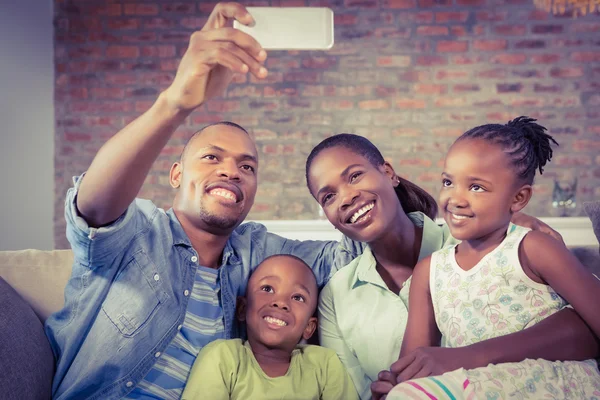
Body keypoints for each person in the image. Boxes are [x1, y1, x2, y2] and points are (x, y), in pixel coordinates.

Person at [44, 2, 576, 399]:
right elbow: (93, 203)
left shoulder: (257, 253)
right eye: (213, 158)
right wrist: (176, 102)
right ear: (177, 172)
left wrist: (493, 218)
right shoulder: (134, 231)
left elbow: (360, 247)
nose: (232, 169)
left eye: (247, 165)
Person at [304, 133, 600, 399]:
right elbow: (375, 384)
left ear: (389, 173)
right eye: (328, 196)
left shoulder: (499, 241)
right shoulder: (339, 293)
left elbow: (585, 324)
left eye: (354, 176)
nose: (346, 197)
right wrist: (394, 383)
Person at [384, 117, 600, 399]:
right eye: (448, 182)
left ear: (518, 199)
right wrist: (395, 381)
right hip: (477, 387)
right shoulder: (430, 271)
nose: (456, 198)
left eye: (476, 187)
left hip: (550, 384)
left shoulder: (533, 247)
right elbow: (415, 362)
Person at [181, 254, 359, 400]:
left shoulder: (325, 364)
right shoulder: (223, 357)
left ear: (309, 327)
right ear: (242, 308)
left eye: (298, 297)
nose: (280, 303)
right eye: (267, 289)